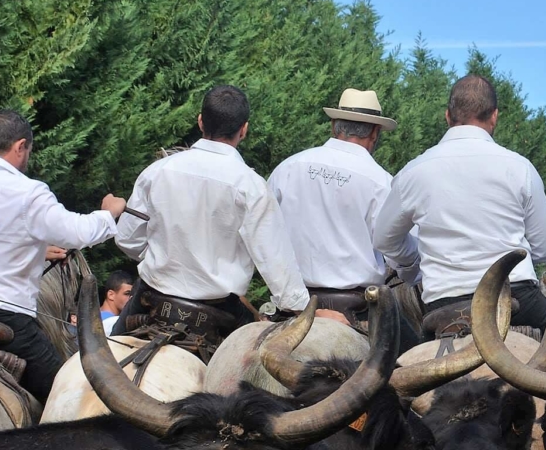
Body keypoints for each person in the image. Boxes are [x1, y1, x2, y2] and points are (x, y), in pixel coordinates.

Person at [373, 74, 546, 363]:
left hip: (444, 305)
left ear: (447, 116)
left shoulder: (413, 171)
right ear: (494, 116)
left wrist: (412, 266)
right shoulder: (520, 168)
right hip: (521, 302)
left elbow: (383, 239)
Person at [0, 110, 123, 402]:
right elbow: (76, 232)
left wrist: (35, 251)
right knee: (68, 398)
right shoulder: (28, 191)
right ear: (20, 146)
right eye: (28, 150)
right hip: (2, 318)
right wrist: (109, 212)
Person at [116, 85, 313, 330]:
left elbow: (127, 240)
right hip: (219, 313)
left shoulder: (158, 171)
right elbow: (277, 266)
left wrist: (165, 257)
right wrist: (303, 309)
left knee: (102, 353)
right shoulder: (252, 186)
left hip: (151, 300)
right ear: (244, 130)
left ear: (200, 122)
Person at [267, 88, 419, 348]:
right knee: (414, 361)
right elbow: (397, 251)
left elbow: (266, 236)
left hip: (291, 308)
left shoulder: (288, 167)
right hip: (359, 313)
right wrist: (412, 269)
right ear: (374, 132)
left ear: (334, 126)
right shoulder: (381, 182)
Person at [99, 269, 134, 335]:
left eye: (132, 294)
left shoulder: (92, 317)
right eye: (127, 294)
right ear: (111, 295)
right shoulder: (114, 323)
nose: (131, 298)